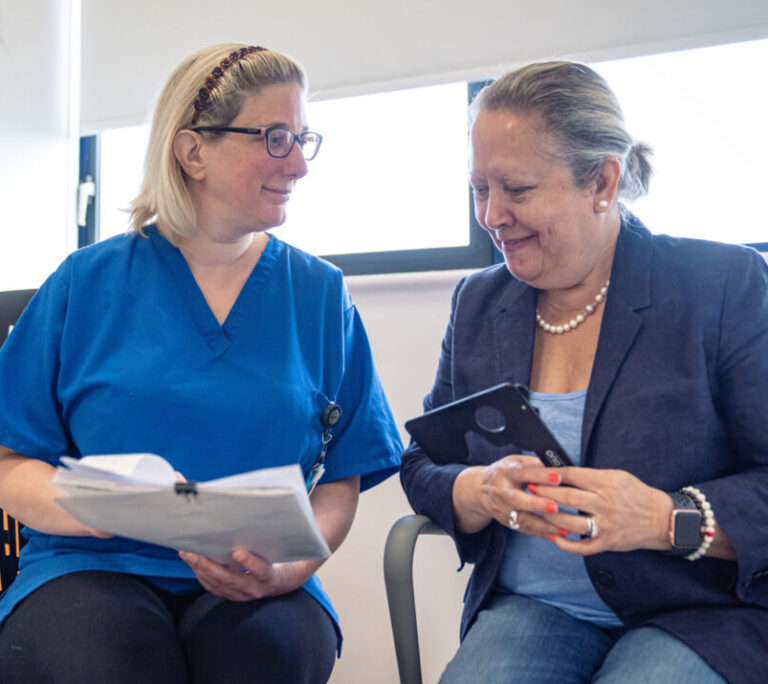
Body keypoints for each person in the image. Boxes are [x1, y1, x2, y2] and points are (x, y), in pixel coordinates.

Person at [0, 43, 401, 684]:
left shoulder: (320, 294)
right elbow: (9, 460)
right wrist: (88, 507)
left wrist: (293, 569)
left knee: (258, 659)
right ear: (192, 153)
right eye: (275, 138)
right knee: (111, 663)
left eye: (303, 138)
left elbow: (341, 478)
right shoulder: (84, 284)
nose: (298, 163)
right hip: (90, 569)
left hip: (258, 581)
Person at [400, 60, 768, 684]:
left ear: (601, 181)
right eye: (479, 189)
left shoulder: (722, 286)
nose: (491, 215)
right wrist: (480, 491)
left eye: (515, 189)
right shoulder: (479, 302)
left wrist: (662, 517)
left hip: (698, 611)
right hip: (534, 608)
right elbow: (424, 463)